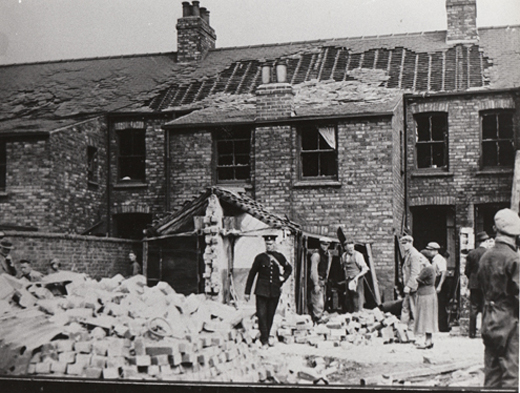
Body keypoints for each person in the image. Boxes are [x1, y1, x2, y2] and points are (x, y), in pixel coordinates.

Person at [477, 208, 519, 388]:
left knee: (492, 374)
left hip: (489, 318)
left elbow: (481, 287)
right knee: (511, 375)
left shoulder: (485, 257)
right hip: (509, 320)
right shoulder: (513, 259)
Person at [244, 233, 292, 347]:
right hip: (261, 291)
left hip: (274, 291)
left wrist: (283, 278)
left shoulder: (280, 257)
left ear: (274, 244)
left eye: (271, 244)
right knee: (261, 314)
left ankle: (265, 337)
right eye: (267, 244)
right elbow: (252, 274)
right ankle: (264, 340)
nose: (269, 246)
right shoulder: (260, 258)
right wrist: (247, 292)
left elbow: (289, 268)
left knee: (270, 315)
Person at [464, 231, 492, 338]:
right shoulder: (489, 253)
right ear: (485, 241)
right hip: (485, 284)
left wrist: (471, 278)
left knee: (473, 308)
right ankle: (484, 333)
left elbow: (467, 271)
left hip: (474, 283)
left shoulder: (472, 253)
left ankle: (472, 333)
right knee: (485, 307)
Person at [399, 234, 429, 330]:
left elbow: (415, 273)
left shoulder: (414, 255)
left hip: (413, 286)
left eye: (405, 243)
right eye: (402, 244)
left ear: (410, 243)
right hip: (410, 285)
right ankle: (403, 328)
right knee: (406, 306)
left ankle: (418, 328)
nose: (403, 246)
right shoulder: (408, 254)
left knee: (413, 308)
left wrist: (409, 285)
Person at [414, 256, 438, 349]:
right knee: (428, 318)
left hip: (425, 295)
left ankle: (427, 341)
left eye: (421, 258)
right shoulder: (431, 268)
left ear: (427, 259)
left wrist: (417, 275)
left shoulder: (427, 269)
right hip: (429, 294)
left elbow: (418, 278)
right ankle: (428, 340)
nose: (420, 260)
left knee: (425, 318)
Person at [340, 238, 369, 313]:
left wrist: (356, 277)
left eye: (352, 248)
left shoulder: (358, 255)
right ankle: (351, 315)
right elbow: (343, 267)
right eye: (349, 249)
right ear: (345, 248)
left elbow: (365, 269)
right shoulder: (344, 256)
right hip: (348, 279)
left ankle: (359, 313)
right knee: (349, 298)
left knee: (357, 298)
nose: (351, 250)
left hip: (357, 279)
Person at [426, 242, 449, 332]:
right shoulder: (434, 259)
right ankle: (438, 326)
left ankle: (443, 327)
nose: (429, 252)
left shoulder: (440, 259)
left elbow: (443, 272)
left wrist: (439, 286)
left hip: (440, 282)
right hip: (436, 281)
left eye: (430, 250)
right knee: (436, 305)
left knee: (441, 305)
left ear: (435, 251)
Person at [309, 237, 333, 323]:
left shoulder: (328, 255)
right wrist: (316, 283)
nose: (324, 246)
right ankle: (317, 319)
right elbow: (313, 269)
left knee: (323, 300)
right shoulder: (316, 255)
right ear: (320, 244)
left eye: (326, 245)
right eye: (323, 244)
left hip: (324, 281)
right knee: (318, 302)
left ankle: (321, 318)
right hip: (317, 280)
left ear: (329, 245)